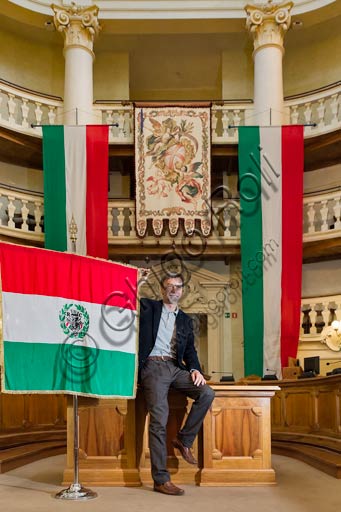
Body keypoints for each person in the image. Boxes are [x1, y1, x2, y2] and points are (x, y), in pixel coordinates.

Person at [138, 274, 215, 496]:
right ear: (162, 290)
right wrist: (138, 282)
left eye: (177, 286)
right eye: (169, 286)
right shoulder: (149, 307)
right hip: (153, 367)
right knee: (159, 420)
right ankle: (161, 479)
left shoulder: (185, 320)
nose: (174, 290)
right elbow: (125, 302)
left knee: (207, 393)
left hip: (175, 367)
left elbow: (190, 349)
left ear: (182, 291)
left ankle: (183, 439)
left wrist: (196, 369)